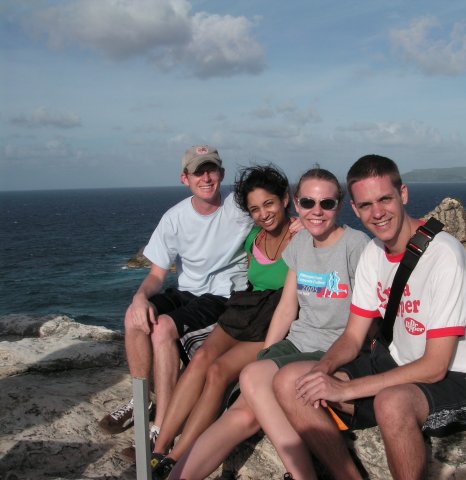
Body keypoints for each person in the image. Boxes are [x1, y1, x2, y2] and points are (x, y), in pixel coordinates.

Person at [274, 154, 466, 479]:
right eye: (365, 205)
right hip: (393, 364)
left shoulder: (443, 256)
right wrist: (322, 371)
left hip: (457, 380)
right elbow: (352, 337)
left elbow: (435, 366)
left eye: (384, 199)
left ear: (403, 194)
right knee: (291, 382)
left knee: (391, 403)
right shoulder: (374, 253)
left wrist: (345, 390)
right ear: (355, 208)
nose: (377, 213)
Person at [168, 168, 370, 480]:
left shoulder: (356, 245)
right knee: (243, 411)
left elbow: (371, 314)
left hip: (333, 348)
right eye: (308, 202)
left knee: (251, 380)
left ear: (340, 205)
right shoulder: (300, 244)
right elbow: (287, 308)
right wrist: (268, 354)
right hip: (298, 343)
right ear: (297, 204)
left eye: (326, 203)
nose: (317, 211)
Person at [99, 146, 254, 445]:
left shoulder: (239, 207)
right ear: (185, 178)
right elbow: (157, 274)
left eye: (211, 170)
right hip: (186, 291)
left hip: (222, 295)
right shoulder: (174, 218)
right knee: (134, 317)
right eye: (198, 172)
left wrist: (297, 221)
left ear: (221, 174)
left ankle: (161, 425)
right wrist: (139, 298)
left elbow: (272, 211)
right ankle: (140, 401)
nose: (205, 178)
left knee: (162, 329)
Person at [149, 164, 294, 476]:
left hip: (275, 317)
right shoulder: (253, 237)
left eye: (269, 203)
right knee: (202, 357)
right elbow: (222, 251)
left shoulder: (301, 236)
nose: (263, 214)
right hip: (246, 307)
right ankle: (158, 450)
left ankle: (177, 456)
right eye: (255, 209)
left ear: (285, 199)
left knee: (218, 371)